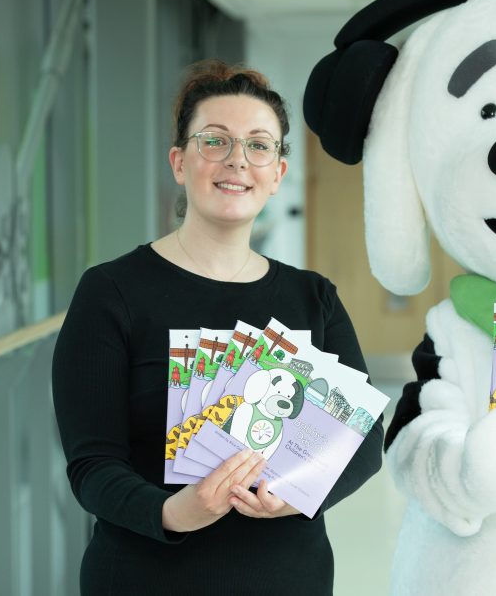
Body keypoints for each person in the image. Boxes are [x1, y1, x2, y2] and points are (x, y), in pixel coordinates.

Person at [52, 60, 384, 595]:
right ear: (180, 162)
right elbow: (91, 464)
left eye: (259, 145)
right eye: (215, 141)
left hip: (288, 576)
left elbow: (364, 439)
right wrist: (172, 512)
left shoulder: (313, 297)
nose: (237, 160)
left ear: (277, 174)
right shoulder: (111, 293)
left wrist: (298, 492)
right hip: (147, 577)